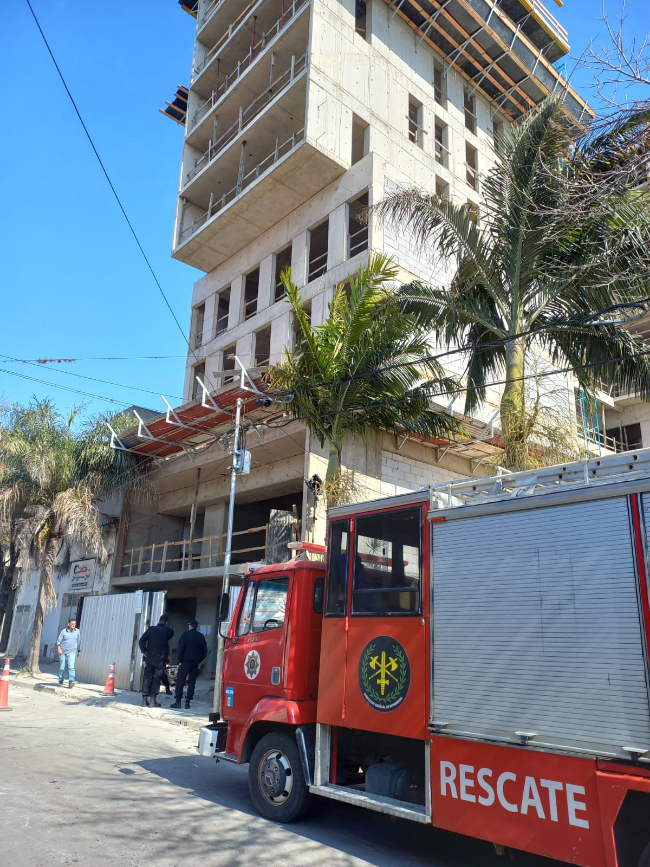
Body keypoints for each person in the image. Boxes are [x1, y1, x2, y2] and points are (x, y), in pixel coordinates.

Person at [170, 620, 207, 710]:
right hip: (195, 662)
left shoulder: (185, 635)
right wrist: (198, 660)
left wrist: (180, 660)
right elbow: (204, 652)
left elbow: (181, 648)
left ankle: (178, 701)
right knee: (191, 682)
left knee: (180, 681)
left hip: (185, 662)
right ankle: (187, 702)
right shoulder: (201, 636)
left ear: (190, 626)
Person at [138, 615, 174, 707]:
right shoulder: (168, 631)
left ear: (159, 620)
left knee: (147, 677)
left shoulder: (151, 629)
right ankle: (153, 701)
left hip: (149, 658)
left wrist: (144, 651)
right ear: (166, 622)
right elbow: (171, 633)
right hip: (160, 659)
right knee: (156, 678)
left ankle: (144, 700)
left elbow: (141, 641)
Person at [57, 618, 81, 688]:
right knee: (62, 667)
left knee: (71, 667)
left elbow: (79, 642)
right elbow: (58, 641)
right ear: (69, 624)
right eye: (72, 624)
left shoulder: (77, 632)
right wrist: (59, 649)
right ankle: (60, 680)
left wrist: (79, 650)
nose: (73, 625)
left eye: (74, 624)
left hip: (72, 652)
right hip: (63, 652)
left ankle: (71, 681)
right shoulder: (64, 632)